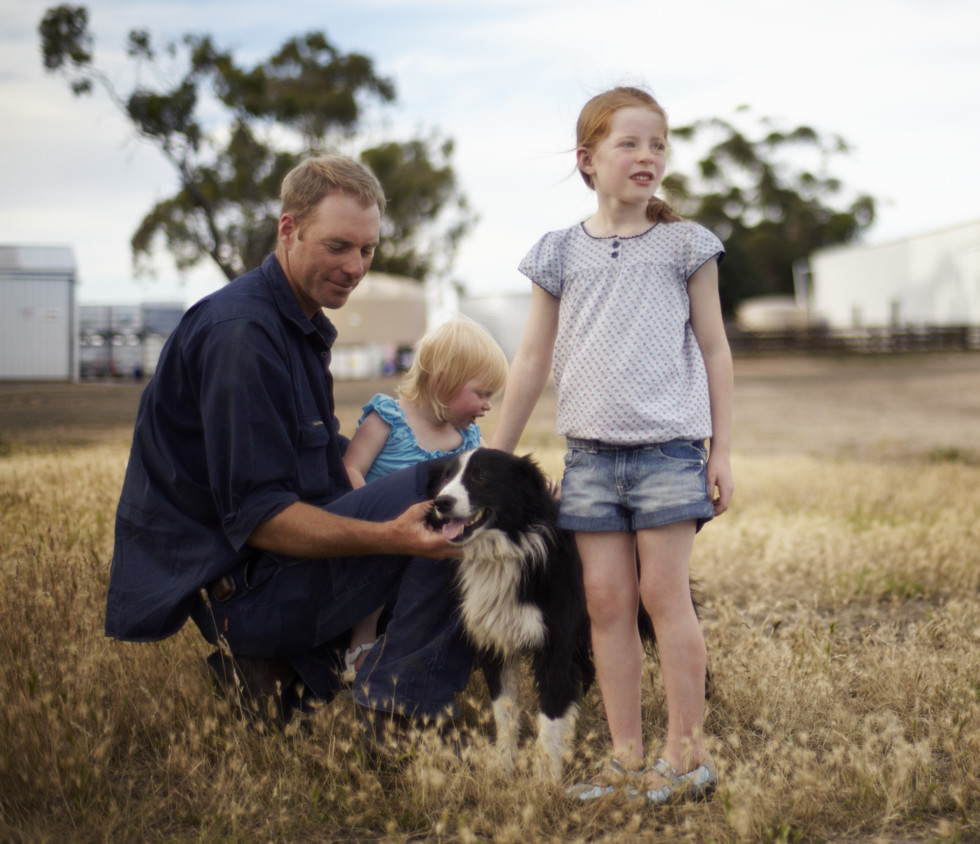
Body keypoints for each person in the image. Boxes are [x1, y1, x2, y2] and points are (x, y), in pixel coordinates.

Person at [105, 155, 476, 728]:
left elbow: (317, 477)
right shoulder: (243, 338)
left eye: (367, 250)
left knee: (472, 489)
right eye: (338, 247)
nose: (356, 267)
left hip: (273, 578)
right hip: (246, 595)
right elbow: (263, 519)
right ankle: (396, 712)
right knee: (457, 487)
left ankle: (292, 673)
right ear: (288, 229)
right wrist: (387, 537)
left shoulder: (295, 327)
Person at [488, 86, 734, 804]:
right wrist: (496, 457)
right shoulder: (559, 252)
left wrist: (719, 451)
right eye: (629, 143)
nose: (647, 155)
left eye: (658, 143)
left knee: (664, 596)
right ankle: (627, 757)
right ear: (587, 159)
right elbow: (532, 360)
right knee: (604, 603)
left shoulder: (688, 245)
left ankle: (685, 758)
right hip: (589, 460)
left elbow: (716, 351)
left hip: (666, 453)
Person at [339, 315, 508, 677]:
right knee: (377, 570)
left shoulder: (467, 441)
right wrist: (371, 521)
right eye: (482, 394)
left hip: (432, 539)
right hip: (383, 532)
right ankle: (362, 639)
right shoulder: (388, 417)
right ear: (445, 379)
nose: (487, 405)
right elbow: (351, 466)